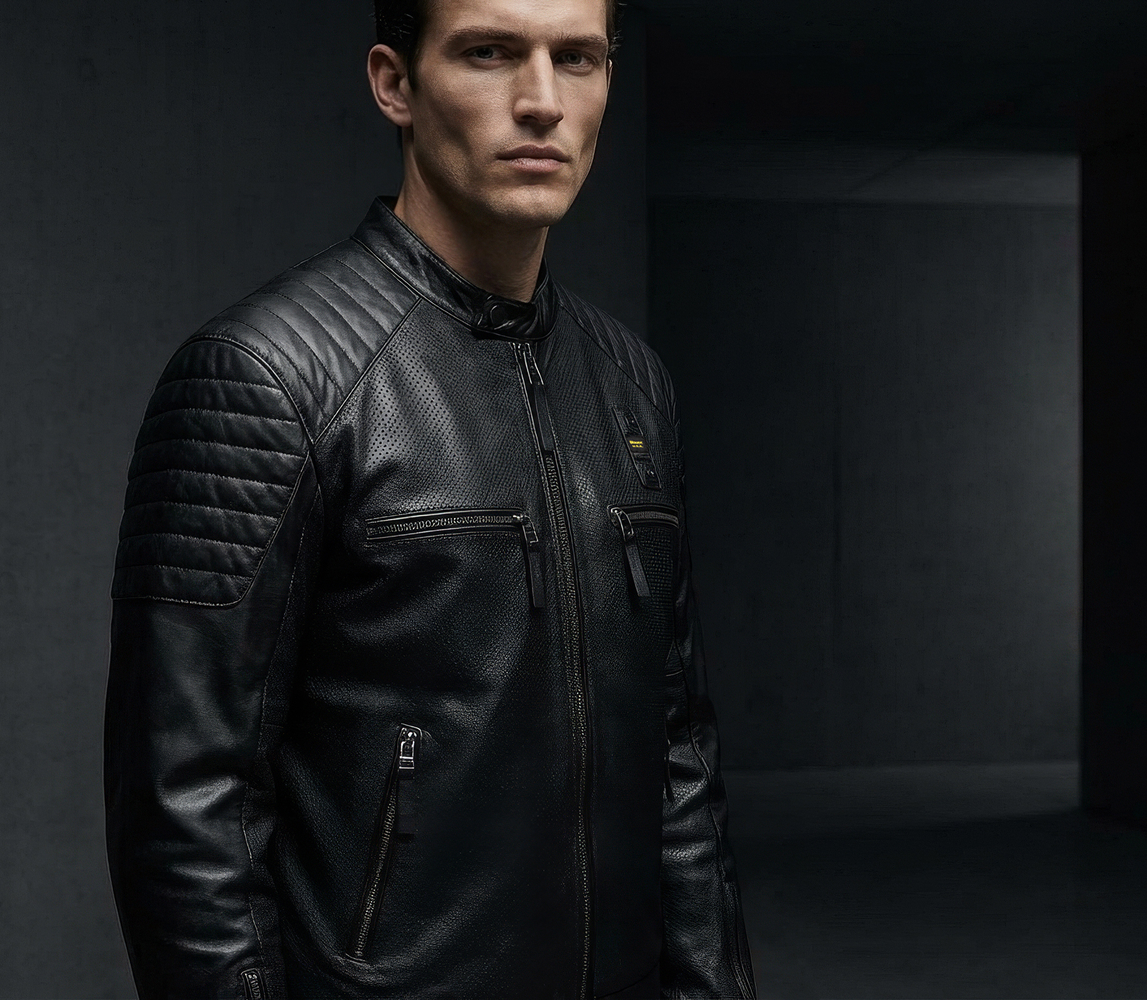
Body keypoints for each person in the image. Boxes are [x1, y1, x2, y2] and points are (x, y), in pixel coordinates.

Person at [103, 0, 755, 995]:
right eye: (490, 52)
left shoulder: (632, 383)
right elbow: (185, 810)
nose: (542, 100)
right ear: (395, 83)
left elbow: (679, 752)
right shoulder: (267, 376)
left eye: (577, 58)